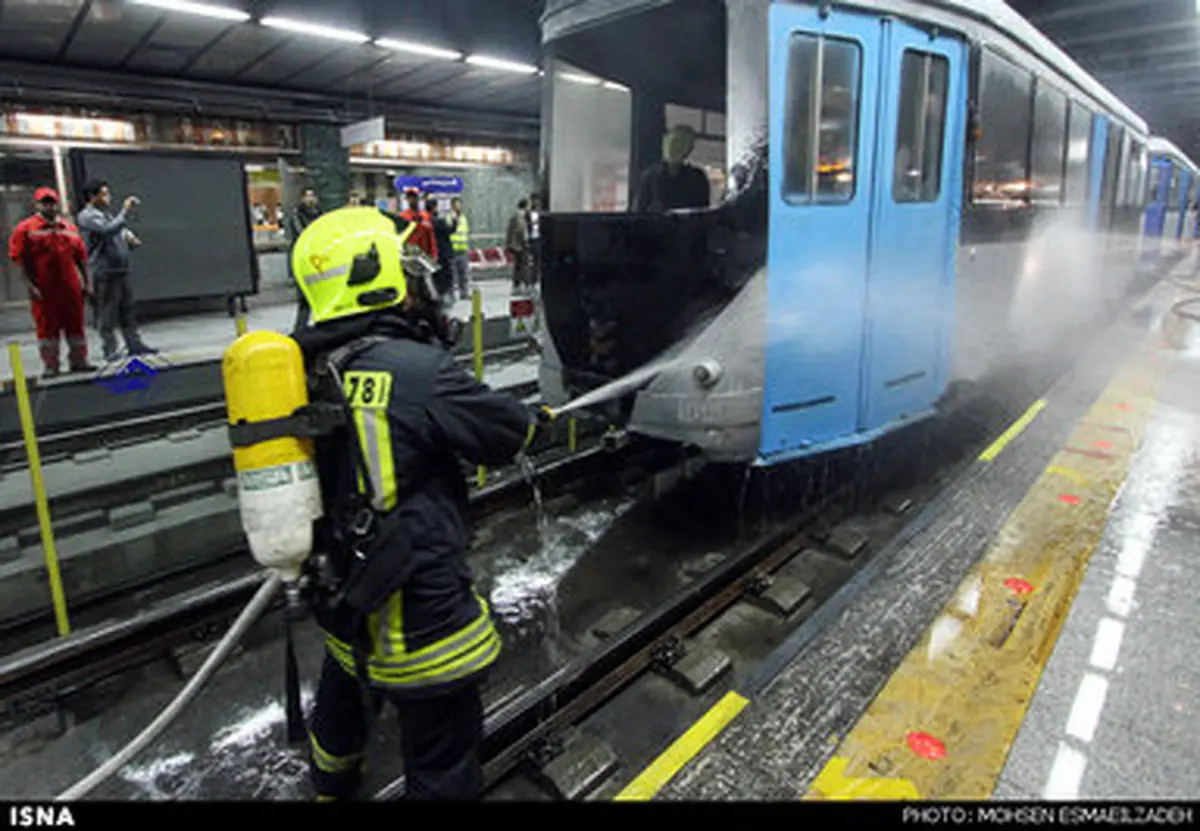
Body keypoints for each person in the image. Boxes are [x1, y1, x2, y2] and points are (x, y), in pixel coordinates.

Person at [288, 206, 541, 801]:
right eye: (405, 266)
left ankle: (330, 784)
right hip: (420, 615)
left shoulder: (304, 366)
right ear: (375, 280)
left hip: (342, 595)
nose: (417, 277)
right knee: (443, 753)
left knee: (342, 698)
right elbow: (508, 432)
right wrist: (535, 420)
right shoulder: (416, 369)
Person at [7, 187, 96, 377]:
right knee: (47, 328)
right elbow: (19, 260)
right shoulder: (26, 229)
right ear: (37, 205)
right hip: (44, 288)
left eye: (52, 202)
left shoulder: (69, 228)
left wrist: (88, 283)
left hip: (70, 286)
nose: (49, 206)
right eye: (45, 203)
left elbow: (81, 258)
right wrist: (30, 286)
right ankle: (51, 365)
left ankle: (79, 360)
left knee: (75, 325)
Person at [77, 179, 155, 362]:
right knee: (107, 312)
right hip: (105, 271)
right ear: (92, 196)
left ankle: (134, 343)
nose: (108, 197)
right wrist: (125, 210)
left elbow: (119, 230)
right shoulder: (87, 216)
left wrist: (129, 237)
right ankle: (110, 349)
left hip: (121, 269)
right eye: (104, 194)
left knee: (127, 309)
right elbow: (107, 230)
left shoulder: (106, 214)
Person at [634, 125, 711, 213]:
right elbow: (638, 212)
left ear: (688, 149)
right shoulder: (650, 177)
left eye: (679, 143)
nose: (672, 147)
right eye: (671, 142)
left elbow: (702, 213)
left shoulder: (697, 178)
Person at [287, 187, 323, 331]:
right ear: (302, 198)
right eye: (307, 196)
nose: (310, 199)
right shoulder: (297, 215)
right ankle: (300, 329)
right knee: (304, 298)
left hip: (319, 259)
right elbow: (302, 234)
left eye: (312, 195)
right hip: (302, 259)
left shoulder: (321, 214)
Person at [394, 188, 438, 261]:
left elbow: (431, 236)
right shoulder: (402, 216)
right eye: (409, 197)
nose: (412, 199)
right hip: (409, 254)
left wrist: (434, 253)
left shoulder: (426, 215)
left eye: (414, 197)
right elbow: (399, 236)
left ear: (418, 198)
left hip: (424, 253)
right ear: (407, 199)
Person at [427, 197, 456, 308]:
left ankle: (437, 297)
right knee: (446, 277)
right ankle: (446, 298)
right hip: (443, 253)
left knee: (436, 277)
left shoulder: (425, 221)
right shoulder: (438, 221)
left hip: (431, 254)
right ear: (435, 208)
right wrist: (454, 220)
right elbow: (450, 230)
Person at [505, 198, 530, 295]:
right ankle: (522, 285)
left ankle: (518, 285)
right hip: (519, 245)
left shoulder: (517, 216)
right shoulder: (519, 217)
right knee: (523, 266)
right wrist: (525, 241)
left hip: (516, 245)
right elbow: (521, 231)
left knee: (519, 265)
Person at [449, 197, 471, 301]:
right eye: (455, 204)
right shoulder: (449, 217)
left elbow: (466, 233)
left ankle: (464, 293)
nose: (458, 206)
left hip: (463, 249)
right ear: (452, 206)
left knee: (464, 273)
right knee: (452, 275)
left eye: (459, 204)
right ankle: (452, 295)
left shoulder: (463, 218)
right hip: (453, 249)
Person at [526, 194, 543, 289]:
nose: (536, 203)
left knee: (538, 261)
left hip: (539, 239)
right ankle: (531, 281)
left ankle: (537, 280)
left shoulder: (541, 213)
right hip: (531, 239)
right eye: (534, 201)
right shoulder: (528, 214)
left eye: (537, 201)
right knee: (531, 262)